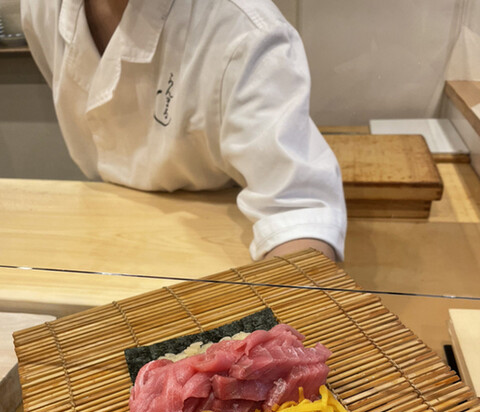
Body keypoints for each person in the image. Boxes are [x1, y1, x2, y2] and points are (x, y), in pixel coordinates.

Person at [21, 0, 347, 262]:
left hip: (223, 239)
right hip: (103, 229)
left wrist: (269, 319)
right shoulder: (40, 7)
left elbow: (299, 214)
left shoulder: (246, 27)